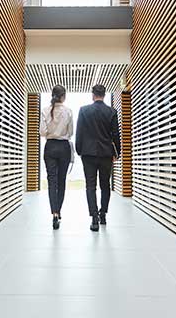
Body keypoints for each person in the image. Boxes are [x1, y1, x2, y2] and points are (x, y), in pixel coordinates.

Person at [75, 84, 120, 232]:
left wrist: (79, 150)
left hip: (88, 154)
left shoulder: (84, 110)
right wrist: (116, 152)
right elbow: (115, 135)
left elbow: (79, 132)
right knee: (105, 185)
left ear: (92, 95)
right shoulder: (112, 112)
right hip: (106, 154)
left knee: (90, 186)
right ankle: (103, 214)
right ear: (104, 95)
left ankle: (94, 218)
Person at [40, 85, 74, 230]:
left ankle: (54, 213)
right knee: (61, 181)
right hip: (64, 147)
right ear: (63, 96)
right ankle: (58, 211)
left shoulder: (45, 110)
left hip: (50, 147)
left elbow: (42, 132)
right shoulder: (68, 111)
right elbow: (71, 132)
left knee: (51, 181)